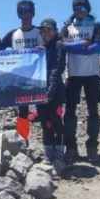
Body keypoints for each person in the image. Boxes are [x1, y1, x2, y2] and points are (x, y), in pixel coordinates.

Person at [60, 0, 100, 163]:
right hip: (73, 74)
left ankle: (92, 145)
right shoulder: (67, 28)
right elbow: (63, 45)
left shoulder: (97, 26)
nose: (79, 12)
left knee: (93, 110)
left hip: (92, 74)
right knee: (70, 110)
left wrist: (75, 48)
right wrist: (83, 45)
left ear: (88, 9)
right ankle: (71, 146)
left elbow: (97, 48)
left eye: (82, 9)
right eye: (76, 9)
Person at [2, 0, 44, 141]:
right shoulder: (13, 34)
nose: (26, 15)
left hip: (40, 79)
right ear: (18, 14)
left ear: (33, 13)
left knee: (45, 112)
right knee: (23, 112)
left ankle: (48, 144)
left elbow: (55, 47)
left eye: (28, 11)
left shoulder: (41, 32)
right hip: (20, 80)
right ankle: (23, 141)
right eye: (22, 12)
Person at [37, 18, 66, 175]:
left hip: (54, 92)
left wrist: (51, 91)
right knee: (44, 122)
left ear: (55, 31)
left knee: (56, 122)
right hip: (41, 90)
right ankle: (48, 154)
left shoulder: (59, 46)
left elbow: (58, 68)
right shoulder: (43, 48)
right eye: (43, 30)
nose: (46, 33)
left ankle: (60, 155)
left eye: (49, 30)